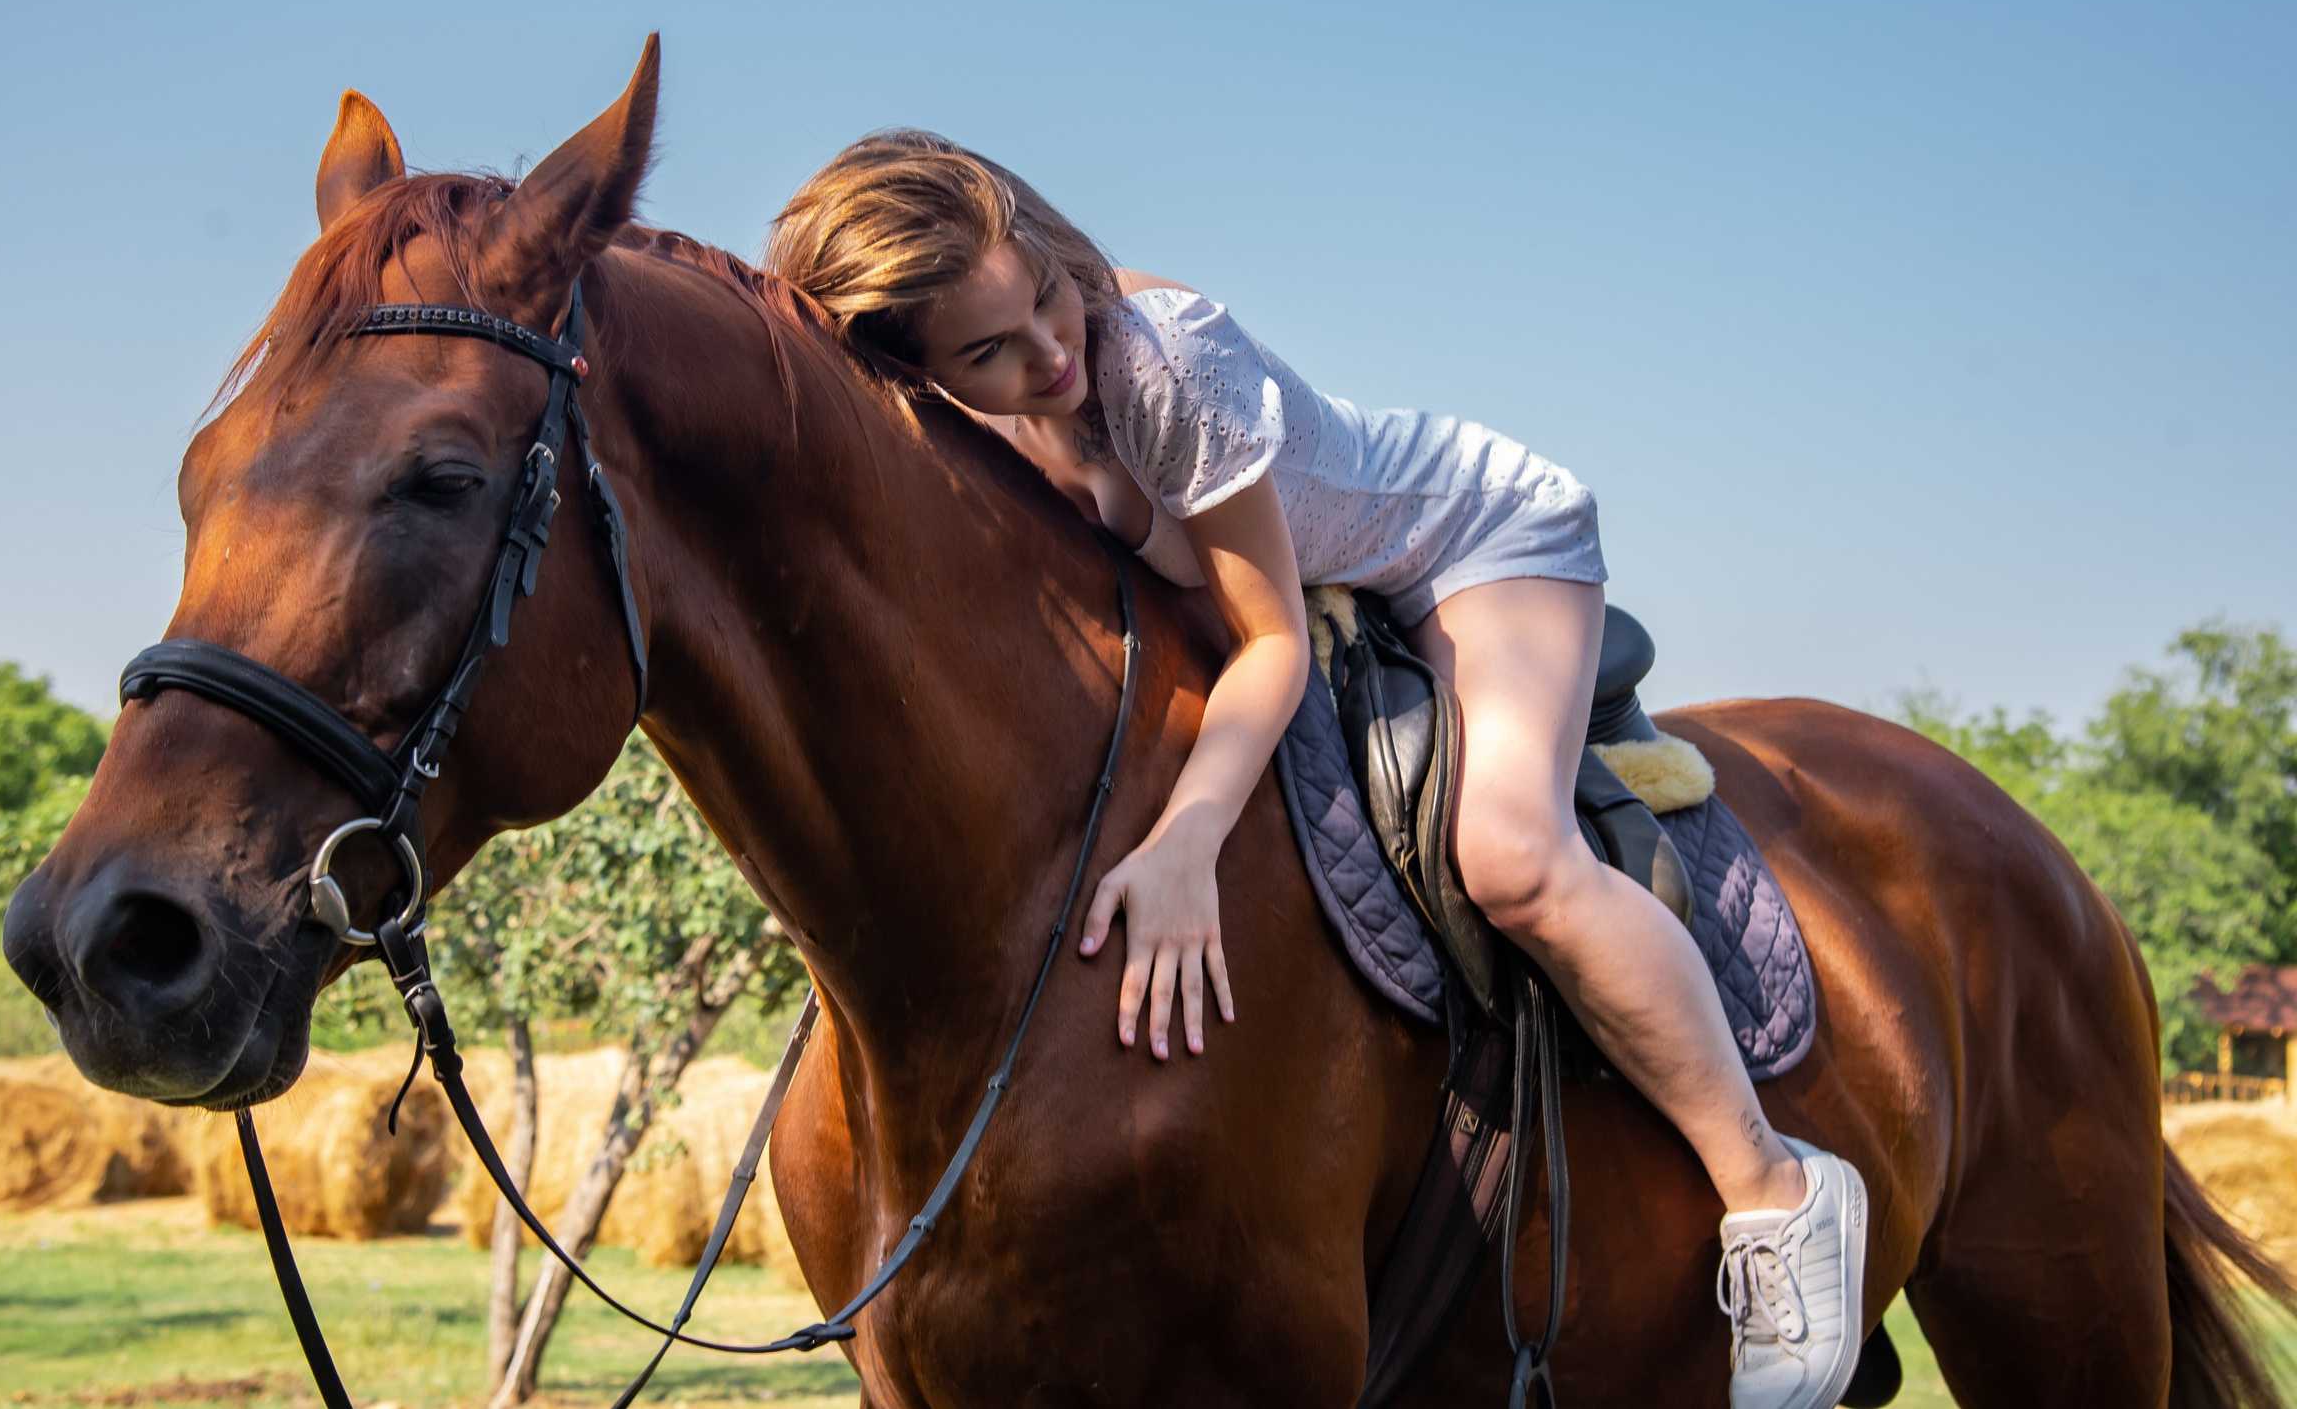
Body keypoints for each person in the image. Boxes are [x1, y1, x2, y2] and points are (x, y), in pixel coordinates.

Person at [761, 131, 1867, 1409]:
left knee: (1511, 856)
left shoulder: (1160, 367)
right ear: (914, 369)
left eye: (1045, 298)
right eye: (988, 351)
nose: (1049, 354)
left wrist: (1184, 841)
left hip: (1469, 542)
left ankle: (1773, 1188)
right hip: (1323, 572)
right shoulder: (967, 424)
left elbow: (1272, 638)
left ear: (1041, 239)